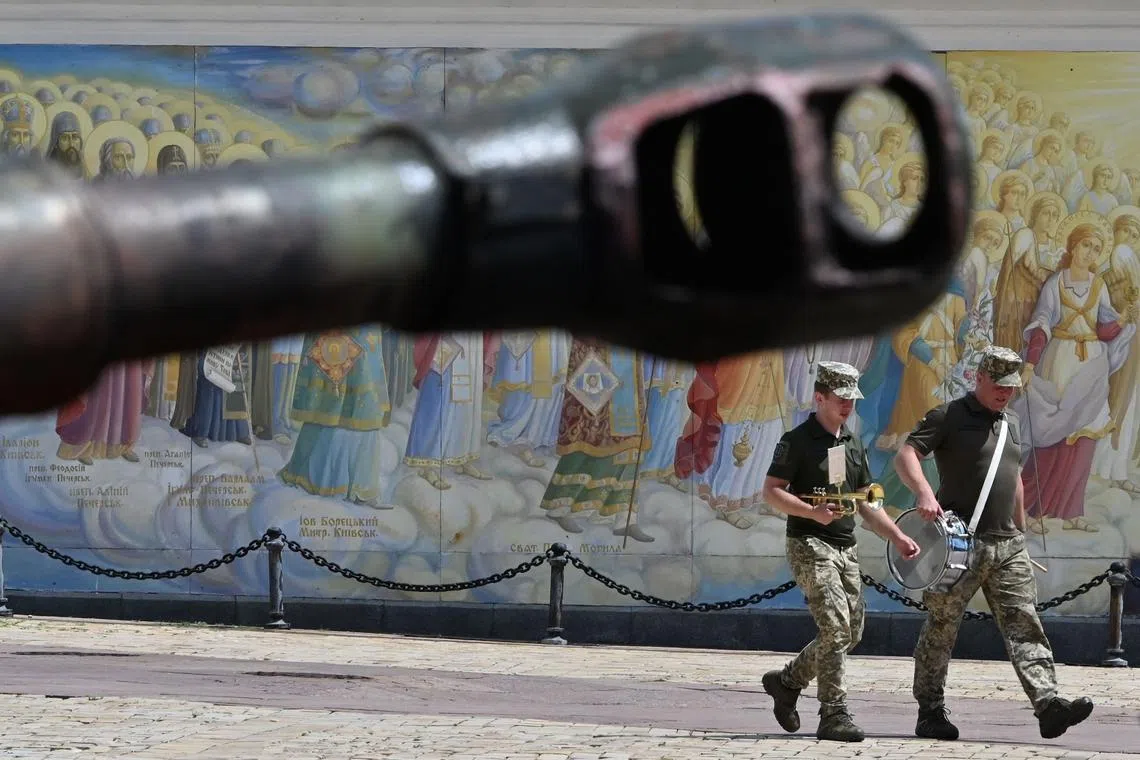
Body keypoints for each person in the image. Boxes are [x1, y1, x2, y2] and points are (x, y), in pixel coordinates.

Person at [893, 345, 1094, 741]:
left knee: (1025, 622)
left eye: (1012, 387)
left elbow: (1014, 478)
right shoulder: (948, 416)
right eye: (999, 385)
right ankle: (930, 711)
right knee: (942, 627)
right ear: (978, 378)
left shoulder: (1011, 423)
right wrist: (923, 494)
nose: (1006, 393)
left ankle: (1048, 705)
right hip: (959, 543)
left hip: (1007, 545)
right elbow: (906, 455)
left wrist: (1020, 531)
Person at [761, 361, 920, 742]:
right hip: (809, 544)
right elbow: (772, 489)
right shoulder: (797, 441)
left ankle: (787, 682)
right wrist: (811, 512)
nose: (848, 405)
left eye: (852, 399)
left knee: (851, 633)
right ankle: (833, 714)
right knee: (834, 628)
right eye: (840, 398)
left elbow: (867, 503)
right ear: (820, 397)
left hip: (845, 547)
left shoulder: (851, 443)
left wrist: (897, 537)